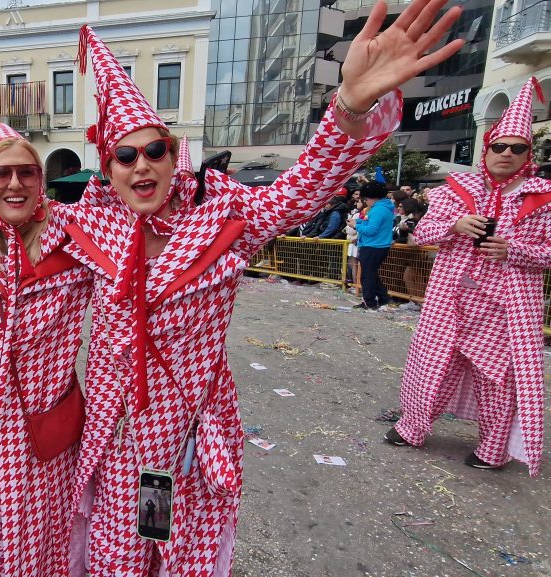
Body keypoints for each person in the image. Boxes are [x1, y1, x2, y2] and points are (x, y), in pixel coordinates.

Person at [65, 1, 462, 573]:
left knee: (171, 547)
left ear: (174, 155)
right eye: (125, 155)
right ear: (109, 166)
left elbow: (301, 191)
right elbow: (0, 235)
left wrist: (350, 107)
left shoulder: (224, 213)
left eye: (154, 149)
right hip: (110, 432)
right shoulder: (88, 223)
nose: (141, 165)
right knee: (114, 555)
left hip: (183, 432)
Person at [388, 76, 551, 476]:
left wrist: (515, 251)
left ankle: (493, 450)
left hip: (503, 309)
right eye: (499, 145)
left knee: (496, 380)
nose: (506, 154)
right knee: (429, 366)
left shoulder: (543, 196)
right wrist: (455, 225)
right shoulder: (454, 190)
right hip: (449, 300)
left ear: (528, 153)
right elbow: (421, 234)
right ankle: (411, 427)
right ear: (487, 147)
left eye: (518, 148)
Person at [0, 125, 91, 576]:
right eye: (2, 174)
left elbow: (142, 224)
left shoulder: (73, 236)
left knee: (37, 544)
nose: (15, 184)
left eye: (27, 173)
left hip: (42, 432)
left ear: (41, 178)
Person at [354, 180, 395, 309]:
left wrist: (356, 225)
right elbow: (370, 225)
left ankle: (369, 302)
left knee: (367, 276)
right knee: (371, 274)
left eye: (366, 199)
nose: (366, 202)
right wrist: (359, 223)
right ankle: (383, 298)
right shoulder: (385, 208)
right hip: (379, 245)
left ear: (371, 197)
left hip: (373, 246)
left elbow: (371, 230)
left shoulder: (378, 210)